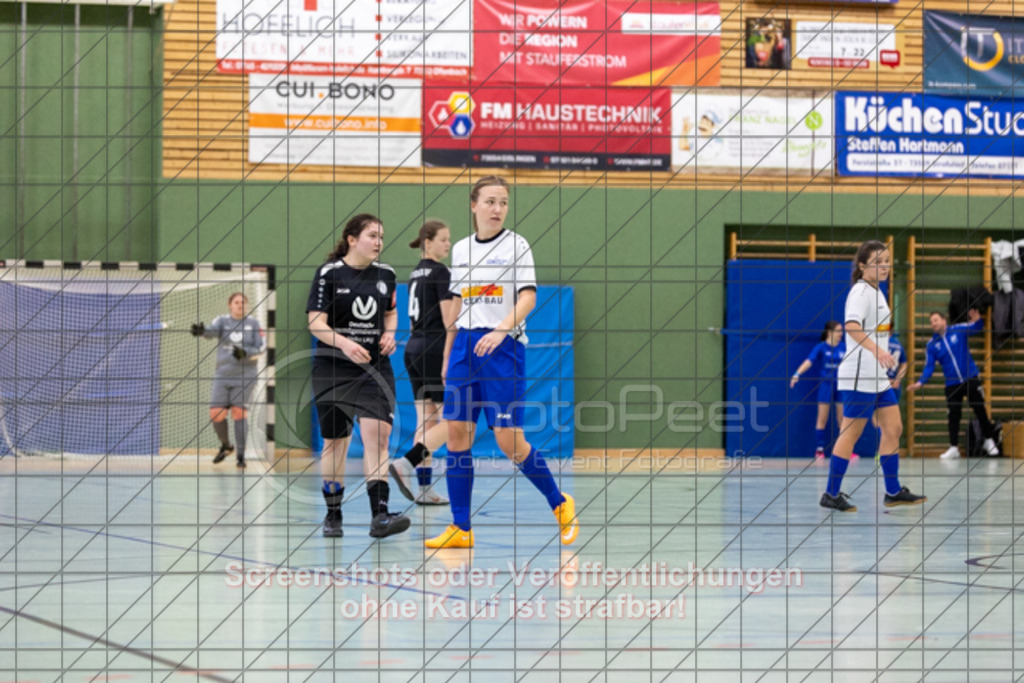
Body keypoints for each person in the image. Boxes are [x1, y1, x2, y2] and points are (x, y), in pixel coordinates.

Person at [424, 175, 579, 549]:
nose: (497, 209)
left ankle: (560, 503)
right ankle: (461, 527)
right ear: (473, 205)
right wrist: (448, 355)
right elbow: (458, 305)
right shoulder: (460, 250)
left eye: (503, 203)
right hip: (464, 347)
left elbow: (527, 297)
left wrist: (501, 329)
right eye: (490, 202)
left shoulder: (516, 245)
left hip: (503, 347)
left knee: (509, 441)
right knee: (457, 434)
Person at [307, 214, 411, 539]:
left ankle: (379, 516)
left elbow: (391, 312)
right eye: (371, 235)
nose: (378, 242)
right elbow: (316, 323)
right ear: (352, 239)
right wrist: (346, 344)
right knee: (335, 444)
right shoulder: (329, 274)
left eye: (381, 236)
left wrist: (391, 334)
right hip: (333, 368)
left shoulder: (387, 275)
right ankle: (333, 514)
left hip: (374, 369)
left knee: (378, 438)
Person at [820, 240, 927, 512]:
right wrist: (876, 349)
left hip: (876, 375)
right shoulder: (860, 292)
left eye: (887, 261)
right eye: (878, 262)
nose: (884, 266)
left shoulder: (878, 292)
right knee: (851, 432)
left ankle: (892, 491)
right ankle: (831, 494)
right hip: (859, 374)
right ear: (863, 266)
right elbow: (852, 326)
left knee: (893, 428)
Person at [390, 220, 456, 505]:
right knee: (454, 421)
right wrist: (448, 358)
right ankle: (406, 462)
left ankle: (425, 490)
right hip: (434, 348)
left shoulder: (416, 273)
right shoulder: (441, 272)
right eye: (443, 239)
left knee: (425, 421)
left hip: (414, 347)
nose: (448, 244)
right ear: (427, 242)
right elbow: (449, 320)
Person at [908, 309, 1000, 459]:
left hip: (970, 378)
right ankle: (954, 448)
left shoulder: (958, 330)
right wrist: (920, 382)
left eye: (936, 320)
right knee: (953, 415)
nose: (933, 324)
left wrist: (977, 320)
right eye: (931, 322)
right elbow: (929, 366)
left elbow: (976, 327)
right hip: (951, 384)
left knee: (980, 409)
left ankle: (989, 441)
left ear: (944, 320)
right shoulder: (931, 345)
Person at [190, 292, 265, 468]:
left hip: (245, 375)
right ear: (229, 305)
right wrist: (202, 332)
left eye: (243, 302)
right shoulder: (222, 321)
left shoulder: (254, 324)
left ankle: (241, 456)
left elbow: (261, 348)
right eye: (236, 302)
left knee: (239, 412)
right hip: (222, 375)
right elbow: (212, 331)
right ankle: (226, 445)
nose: (240, 305)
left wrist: (246, 352)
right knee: (216, 413)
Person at [790, 321, 845, 458]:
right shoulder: (821, 347)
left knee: (843, 418)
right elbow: (809, 361)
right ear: (830, 332)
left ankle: (844, 450)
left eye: (841, 331)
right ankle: (819, 450)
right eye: (838, 331)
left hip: (841, 386)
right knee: (822, 417)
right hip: (826, 386)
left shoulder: (844, 347)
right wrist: (797, 374)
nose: (841, 334)